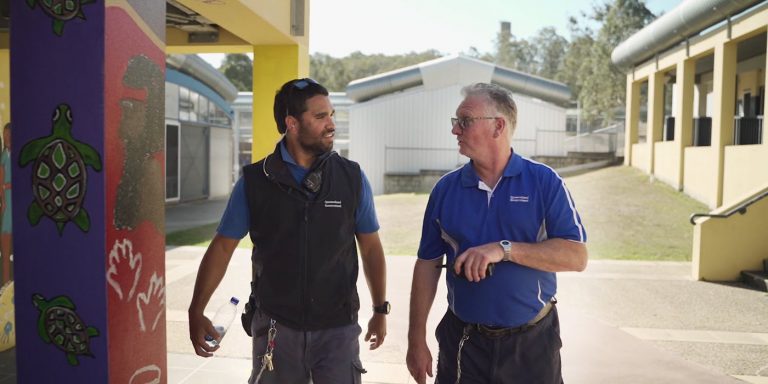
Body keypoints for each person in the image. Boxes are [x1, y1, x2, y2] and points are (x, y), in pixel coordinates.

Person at [188, 78, 389, 384]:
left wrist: (380, 309)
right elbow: (222, 247)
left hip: (337, 328)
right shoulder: (255, 181)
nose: (331, 124)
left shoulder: (352, 178)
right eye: (321, 117)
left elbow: (371, 247)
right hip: (275, 328)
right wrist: (196, 309)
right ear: (292, 124)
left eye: (332, 114)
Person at [406, 83, 587, 384]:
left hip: (533, 344)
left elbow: (576, 256)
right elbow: (427, 264)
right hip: (463, 341)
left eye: (464, 121)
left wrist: (503, 249)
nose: (455, 130)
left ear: (497, 126)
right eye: (456, 122)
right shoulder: (445, 189)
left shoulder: (544, 182)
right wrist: (415, 339)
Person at [0, 123, 11, 284]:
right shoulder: (3, 156)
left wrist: (7, 185)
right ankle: (5, 282)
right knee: (5, 250)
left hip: (16, 206)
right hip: (5, 206)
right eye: (5, 134)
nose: (7, 138)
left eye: (9, 134)